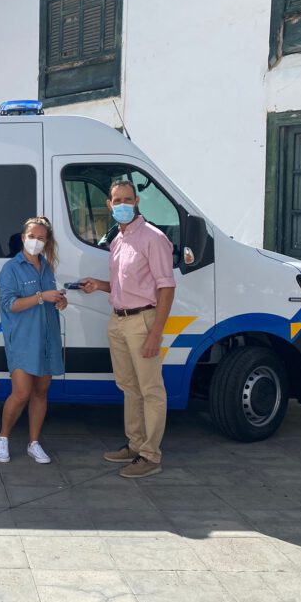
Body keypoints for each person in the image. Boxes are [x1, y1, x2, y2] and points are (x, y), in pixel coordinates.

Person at [80, 178, 176, 478]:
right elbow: (123, 284)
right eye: (117, 201)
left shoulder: (153, 238)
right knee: (129, 387)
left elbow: (166, 287)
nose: (122, 205)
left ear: (136, 202)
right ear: (109, 205)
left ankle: (151, 456)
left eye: (127, 199)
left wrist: (155, 332)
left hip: (142, 321)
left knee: (151, 390)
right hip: (118, 320)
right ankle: (135, 445)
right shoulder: (118, 240)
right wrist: (99, 285)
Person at [0, 216, 67, 464]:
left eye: (41, 238)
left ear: (47, 242)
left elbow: (49, 298)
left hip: (47, 339)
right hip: (23, 339)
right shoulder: (11, 268)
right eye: (31, 236)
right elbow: (10, 305)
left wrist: (60, 301)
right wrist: (41, 297)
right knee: (21, 393)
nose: (35, 241)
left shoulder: (47, 267)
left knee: (41, 391)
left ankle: (34, 443)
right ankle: (3, 437)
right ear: (23, 238)